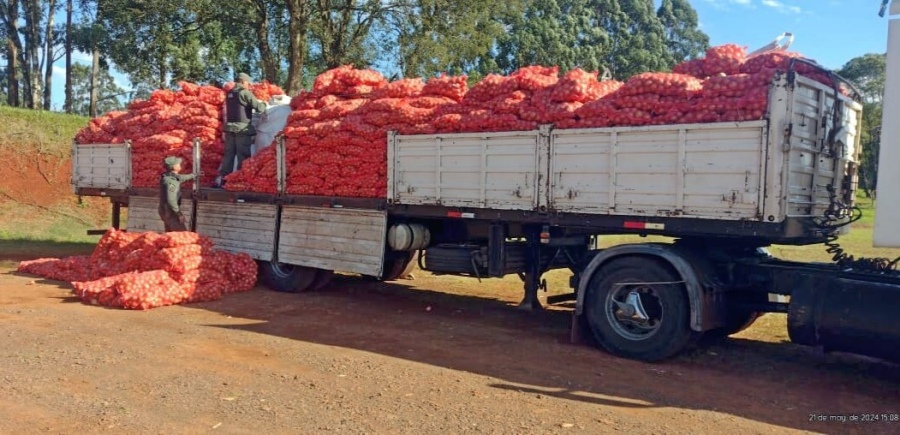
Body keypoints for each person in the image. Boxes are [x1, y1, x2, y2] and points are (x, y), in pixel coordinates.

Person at [215, 72, 268, 188]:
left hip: (229, 130)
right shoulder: (245, 93)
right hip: (242, 130)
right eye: (248, 83)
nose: (249, 85)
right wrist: (264, 104)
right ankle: (239, 181)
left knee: (228, 155)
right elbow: (259, 108)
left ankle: (223, 180)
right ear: (243, 82)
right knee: (243, 156)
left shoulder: (229, 94)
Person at [159, 156, 196, 232]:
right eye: (178, 163)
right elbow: (171, 199)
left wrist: (193, 175)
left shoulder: (167, 175)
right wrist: (179, 214)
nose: (180, 164)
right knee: (181, 235)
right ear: (174, 166)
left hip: (165, 210)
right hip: (170, 212)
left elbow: (180, 178)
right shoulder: (172, 182)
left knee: (170, 236)